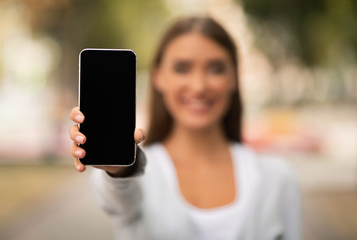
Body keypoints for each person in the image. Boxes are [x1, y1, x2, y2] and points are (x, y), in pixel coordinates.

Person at [69, 16, 302, 240]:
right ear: (158, 77)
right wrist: (119, 169)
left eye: (216, 68)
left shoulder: (277, 179)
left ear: (234, 78)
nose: (199, 86)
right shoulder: (135, 173)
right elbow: (118, 200)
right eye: (182, 68)